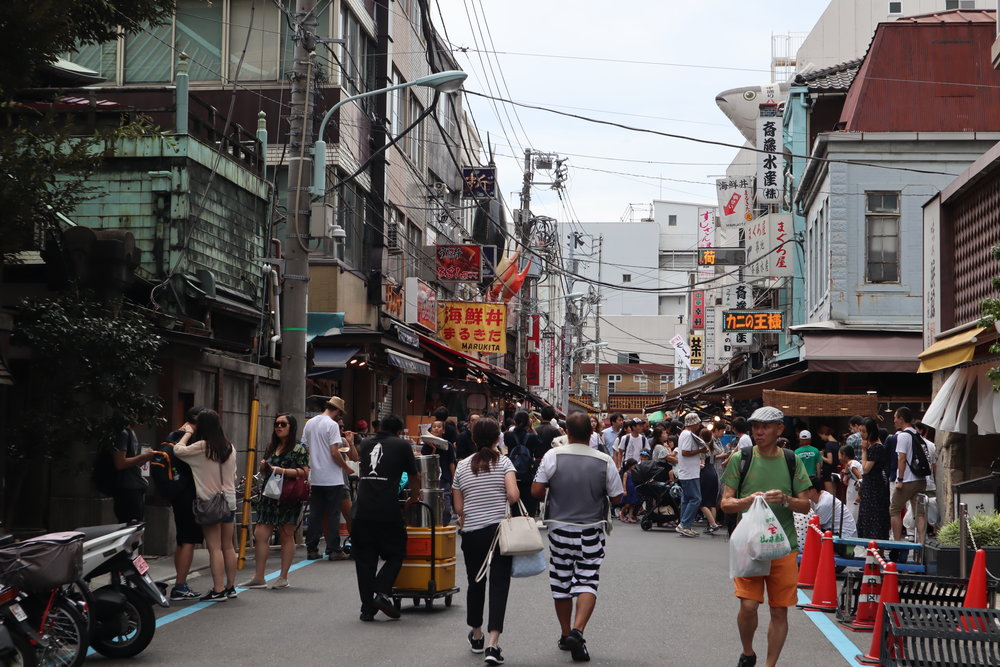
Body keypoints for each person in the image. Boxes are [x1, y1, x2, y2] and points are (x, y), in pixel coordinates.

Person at [720, 407, 812, 667]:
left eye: (765, 426)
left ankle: (770, 664)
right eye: (755, 427)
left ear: (779, 429)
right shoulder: (742, 458)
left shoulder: (792, 460)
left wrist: (785, 499)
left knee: (779, 609)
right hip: (748, 547)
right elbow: (725, 503)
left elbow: (805, 505)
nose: (758, 432)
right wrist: (747, 501)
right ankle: (748, 652)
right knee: (748, 605)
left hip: (784, 547)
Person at [532, 412, 623, 663]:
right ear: (591, 434)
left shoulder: (553, 456)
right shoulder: (604, 460)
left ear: (567, 433)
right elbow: (617, 497)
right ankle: (578, 630)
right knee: (587, 579)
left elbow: (537, 491)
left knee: (561, 582)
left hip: (559, 527)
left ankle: (565, 633)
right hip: (591, 528)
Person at [452, 417, 519, 664]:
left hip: (471, 533)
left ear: (472, 438)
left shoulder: (462, 466)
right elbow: (512, 496)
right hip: (499, 533)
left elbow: (459, 508)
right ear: (497, 438)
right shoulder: (504, 462)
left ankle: (477, 635)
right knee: (499, 584)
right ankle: (493, 644)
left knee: (475, 581)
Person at [353, 414, 419, 622]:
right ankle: (381, 592)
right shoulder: (402, 445)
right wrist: (414, 497)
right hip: (387, 508)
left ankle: (366, 609)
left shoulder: (365, 444)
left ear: (380, 426)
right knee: (397, 551)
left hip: (361, 509)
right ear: (399, 431)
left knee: (365, 560)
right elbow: (414, 477)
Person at [174, 410, 238, 601]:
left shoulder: (202, 447)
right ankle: (230, 587)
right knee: (228, 546)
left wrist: (186, 433)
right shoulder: (230, 447)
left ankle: (218, 590)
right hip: (229, 501)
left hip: (210, 503)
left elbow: (178, 451)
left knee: (215, 548)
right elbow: (233, 474)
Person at [241, 413, 309, 590]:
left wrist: (281, 470)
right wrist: (264, 467)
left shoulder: (299, 448)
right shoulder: (272, 446)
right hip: (269, 494)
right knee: (260, 534)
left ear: (291, 427)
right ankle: (259, 577)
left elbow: (304, 472)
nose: (278, 427)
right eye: (276, 424)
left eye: (283, 424)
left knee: (287, 534)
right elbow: (266, 471)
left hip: (288, 496)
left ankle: (283, 577)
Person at [303, 396, 353, 560]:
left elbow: (304, 447)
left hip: (316, 476)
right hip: (332, 477)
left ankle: (311, 548)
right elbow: (334, 451)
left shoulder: (309, 423)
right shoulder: (331, 425)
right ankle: (333, 549)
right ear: (337, 411)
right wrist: (345, 467)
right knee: (333, 514)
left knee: (315, 513)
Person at [164, 407, 205, 601]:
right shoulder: (191, 440)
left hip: (176, 494)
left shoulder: (173, 435)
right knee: (188, 540)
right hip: (189, 494)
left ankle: (180, 583)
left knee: (182, 540)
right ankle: (180, 585)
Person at [889, 407, 928, 544]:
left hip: (907, 480)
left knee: (894, 509)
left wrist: (899, 479)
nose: (894, 420)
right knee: (920, 513)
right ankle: (921, 542)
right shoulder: (917, 434)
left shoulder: (903, 436)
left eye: (895, 417)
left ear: (901, 418)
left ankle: (898, 541)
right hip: (920, 479)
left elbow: (902, 458)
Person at [502, 411, 543, 518]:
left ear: (515, 421)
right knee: (528, 508)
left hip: (512, 474)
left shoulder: (508, 436)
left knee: (514, 508)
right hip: (528, 475)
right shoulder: (532, 437)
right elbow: (539, 443)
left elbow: (504, 448)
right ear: (528, 422)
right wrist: (532, 428)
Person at [112, 423, 154, 524]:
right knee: (131, 528)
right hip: (128, 490)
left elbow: (132, 465)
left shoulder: (131, 433)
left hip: (135, 487)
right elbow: (120, 463)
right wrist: (143, 456)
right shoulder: (123, 433)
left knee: (136, 527)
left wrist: (146, 457)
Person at [676, 413, 709, 538]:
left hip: (686, 471)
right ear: (693, 423)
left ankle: (685, 525)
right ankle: (684, 525)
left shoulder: (684, 434)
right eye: (698, 422)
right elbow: (685, 452)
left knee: (686, 500)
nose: (699, 424)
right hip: (690, 473)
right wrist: (701, 450)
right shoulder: (688, 435)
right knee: (696, 499)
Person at [858, 417, 890, 541]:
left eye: (864, 431)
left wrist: (864, 450)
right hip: (870, 485)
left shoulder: (876, 447)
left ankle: (876, 548)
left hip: (875, 487)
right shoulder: (872, 446)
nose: (862, 434)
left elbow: (866, 469)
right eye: (860, 431)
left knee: (874, 517)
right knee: (869, 517)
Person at [422, 420, 457, 522]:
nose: (436, 428)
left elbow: (451, 463)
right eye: (434, 427)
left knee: (445, 506)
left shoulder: (448, 445)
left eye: (439, 426)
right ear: (431, 430)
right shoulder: (426, 445)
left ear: (444, 430)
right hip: (430, 479)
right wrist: (433, 449)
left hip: (444, 478)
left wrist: (454, 480)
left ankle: (444, 524)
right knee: (431, 505)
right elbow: (427, 461)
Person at [699, 427, 723, 534]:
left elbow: (702, 464)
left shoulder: (702, 447)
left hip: (705, 474)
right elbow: (719, 451)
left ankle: (713, 524)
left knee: (702, 502)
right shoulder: (713, 446)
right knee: (712, 502)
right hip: (714, 472)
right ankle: (712, 526)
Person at [839, 445, 863, 524]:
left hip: (856, 491)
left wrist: (859, 494)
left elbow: (860, 478)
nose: (839, 458)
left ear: (844, 455)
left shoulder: (852, 465)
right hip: (852, 489)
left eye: (839, 455)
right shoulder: (850, 463)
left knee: (854, 511)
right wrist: (845, 475)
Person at [620, 458, 639, 523]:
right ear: (629, 465)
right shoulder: (626, 473)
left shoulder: (635, 473)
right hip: (628, 490)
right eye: (633, 465)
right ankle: (622, 513)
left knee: (632, 504)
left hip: (634, 490)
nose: (635, 466)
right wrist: (624, 490)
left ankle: (630, 517)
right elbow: (624, 482)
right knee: (627, 504)